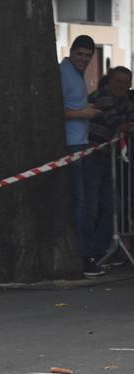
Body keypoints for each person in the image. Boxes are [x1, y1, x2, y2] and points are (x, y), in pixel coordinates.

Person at [60, 35, 104, 276]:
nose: (84, 59)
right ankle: (84, 255)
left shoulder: (75, 74)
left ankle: (86, 252)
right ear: (72, 51)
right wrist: (84, 114)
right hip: (71, 147)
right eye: (80, 54)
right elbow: (55, 109)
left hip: (80, 144)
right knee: (80, 201)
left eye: (88, 56)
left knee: (85, 201)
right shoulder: (64, 73)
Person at [86, 67, 134, 271]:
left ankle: (102, 249)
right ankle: (90, 252)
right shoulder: (102, 97)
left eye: (125, 82)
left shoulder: (125, 100)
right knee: (92, 204)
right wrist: (125, 125)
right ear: (110, 80)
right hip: (93, 155)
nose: (121, 86)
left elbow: (129, 118)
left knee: (112, 204)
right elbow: (117, 123)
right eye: (117, 81)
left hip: (109, 157)